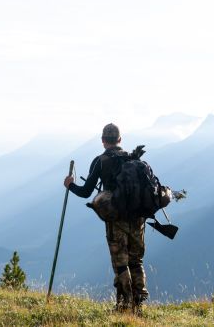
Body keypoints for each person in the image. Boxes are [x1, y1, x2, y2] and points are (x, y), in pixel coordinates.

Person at [63, 123, 148, 314]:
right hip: (138, 218)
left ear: (103, 141)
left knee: (121, 263)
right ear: (120, 140)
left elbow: (86, 193)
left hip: (116, 219)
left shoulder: (100, 161)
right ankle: (139, 303)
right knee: (136, 261)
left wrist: (70, 185)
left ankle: (124, 305)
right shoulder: (133, 159)